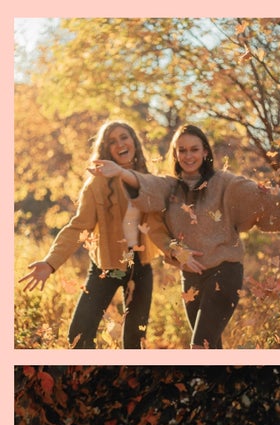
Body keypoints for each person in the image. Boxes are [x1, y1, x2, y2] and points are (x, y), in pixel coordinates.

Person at [95, 123, 280, 348]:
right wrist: (121, 172)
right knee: (211, 350)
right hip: (190, 278)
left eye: (194, 149)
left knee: (199, 348)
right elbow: (147, 185)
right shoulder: (170, 188)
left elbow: (270, 198)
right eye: (182, 150)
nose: (188, 156)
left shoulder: (226, 184)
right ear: (176, 154)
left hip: (224, 272)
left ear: (205, 151)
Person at [19, 120, 171, 349]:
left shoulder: (148, 180)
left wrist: (178, 253)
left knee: (134, 341)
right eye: (112, 141)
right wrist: (50, 263)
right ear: (106, 149)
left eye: (124, 137)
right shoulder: (97, 184)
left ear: (134, 142)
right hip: (106, 266)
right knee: (79, 334)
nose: (119, 143)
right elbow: (79, 226)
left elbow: (162, 223)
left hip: (140, 266)